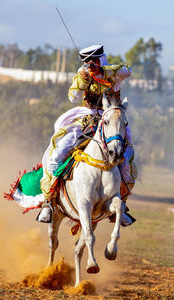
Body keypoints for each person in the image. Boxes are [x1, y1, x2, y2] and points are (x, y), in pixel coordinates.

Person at [37, 45, 137, 225]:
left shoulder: (114, 73)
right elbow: (72, 98)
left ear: (102, 59)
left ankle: (120, 207)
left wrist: (102, 70)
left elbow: (128, 70)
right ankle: (49, 202)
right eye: (89, 62)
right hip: (87, 118)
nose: (92, 64)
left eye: (95, 60)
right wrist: (83, 79)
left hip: (113, 120)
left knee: (129, 159)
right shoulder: (82, 74)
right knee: (57, 154)